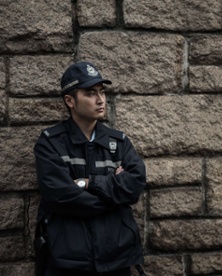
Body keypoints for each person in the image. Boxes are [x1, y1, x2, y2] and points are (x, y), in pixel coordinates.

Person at [34, 61, 146, 276]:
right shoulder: (50, 143)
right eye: (90, 93)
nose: (100, 99)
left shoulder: (119, 142)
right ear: (70, 101)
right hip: (67, 260)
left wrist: (89, 183)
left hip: (116, 257)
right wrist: (114, 195)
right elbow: (61, 197)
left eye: (102, 92)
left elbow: (134, 185)